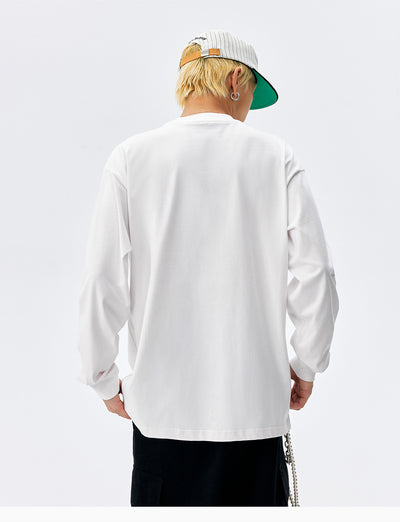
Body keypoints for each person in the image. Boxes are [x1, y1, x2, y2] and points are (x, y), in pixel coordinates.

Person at [76, 30, 339, 506]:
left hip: (161, 423)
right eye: (252, 94)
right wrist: (305, 364)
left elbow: (101, 280)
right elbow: (316, 274)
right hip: (254, 417)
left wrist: (102, 377)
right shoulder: (275, 157)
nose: (249, 109)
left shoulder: (131, 159)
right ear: (235, 79)